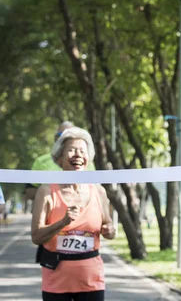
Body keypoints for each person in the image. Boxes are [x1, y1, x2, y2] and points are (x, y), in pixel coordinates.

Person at [31, 127, 115, 301]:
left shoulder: (98, 191)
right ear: (59, 159)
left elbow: (109, 226)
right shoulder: (46, 191)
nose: (77, 154)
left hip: (91, 280)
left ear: (88, 159)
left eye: (82, 151)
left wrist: (110, 231)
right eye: (71, 150)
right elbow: (37, 237)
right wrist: (63, 222)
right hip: (56, 281)